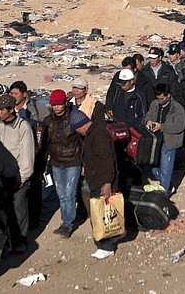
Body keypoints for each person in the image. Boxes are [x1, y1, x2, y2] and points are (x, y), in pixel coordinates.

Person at [71, 110, 120, 260]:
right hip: (96, 178)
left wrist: (107, 183)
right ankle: (104, 244)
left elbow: (107, 159)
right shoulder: (92, 133)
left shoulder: (98, 134)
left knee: (102, 215)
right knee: (99, 213)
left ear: (80, 126)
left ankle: (106, 247)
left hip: (102, 181)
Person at [0, 94, 34, 254]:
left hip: (17, 177)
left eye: (2, 110)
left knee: (18, 211)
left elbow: (27, 155)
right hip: (0, 177)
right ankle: (6, 241)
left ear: (11, 110)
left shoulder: (23, 127)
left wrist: (22, 178)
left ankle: (20, 241)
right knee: (3, 211)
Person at [9, 81, 49, 230]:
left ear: (24, 95)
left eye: (15, 94)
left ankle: (34, 221)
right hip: (15, 155)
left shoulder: (36, 108)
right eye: (11, 93)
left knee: (34, 188)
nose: (12, 96)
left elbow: (46, 126)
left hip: (35, 154)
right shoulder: (8, 109)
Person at [44, 89, 82, 238]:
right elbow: (45, 144)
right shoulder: (48, 121)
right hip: (56, 162)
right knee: (61, 194)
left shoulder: (74, 118)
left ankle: (68, 224)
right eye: (54, 104)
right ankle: (65, 221)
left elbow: (82, 142)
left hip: (73, 161)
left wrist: (84, 163)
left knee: (69, 194)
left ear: (65, 104)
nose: (57, 107)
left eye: (59, 104)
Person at [144, 83, 185, 195]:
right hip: (155, 141)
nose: (160, 101)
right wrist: (148, 122)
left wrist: (161, 126)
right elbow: (148, 115)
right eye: (158, 99)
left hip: (169, 142)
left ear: (168, 95)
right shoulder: (154, 104)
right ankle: (168, 187)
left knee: (166, 171)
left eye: (162, 98)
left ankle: (164, 195)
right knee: (153, 168)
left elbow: (179, 126)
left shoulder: (178, 109)